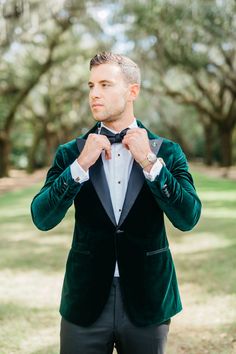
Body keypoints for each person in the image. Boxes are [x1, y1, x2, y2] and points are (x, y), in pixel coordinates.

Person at [31, 52, 201, 354]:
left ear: (132, 91)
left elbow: (188, 217)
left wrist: (149, 162)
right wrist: (80, 166)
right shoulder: (71, 153)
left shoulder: (168, 152)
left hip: (148, 298)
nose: (94, 93)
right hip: (85, 300)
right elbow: (42, 217)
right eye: (91, 85)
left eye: (106, 85)